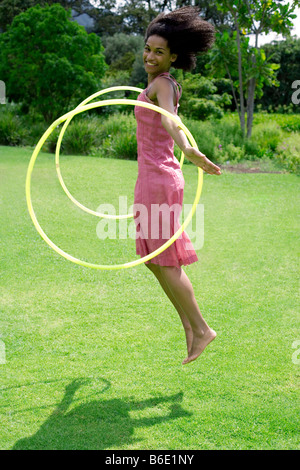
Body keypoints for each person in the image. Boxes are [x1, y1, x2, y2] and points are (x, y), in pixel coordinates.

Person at [133, 6, 221, 365]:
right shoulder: (155, 83)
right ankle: (188, 325)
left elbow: (171, 119)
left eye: (159, 51)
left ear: (173, 56)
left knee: (166, 262)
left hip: (161, 179)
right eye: (148, 48)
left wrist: (188, 147)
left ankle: (201, 328)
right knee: (153, 261)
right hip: (149, 178)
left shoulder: (163, 84)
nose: (150, 56)